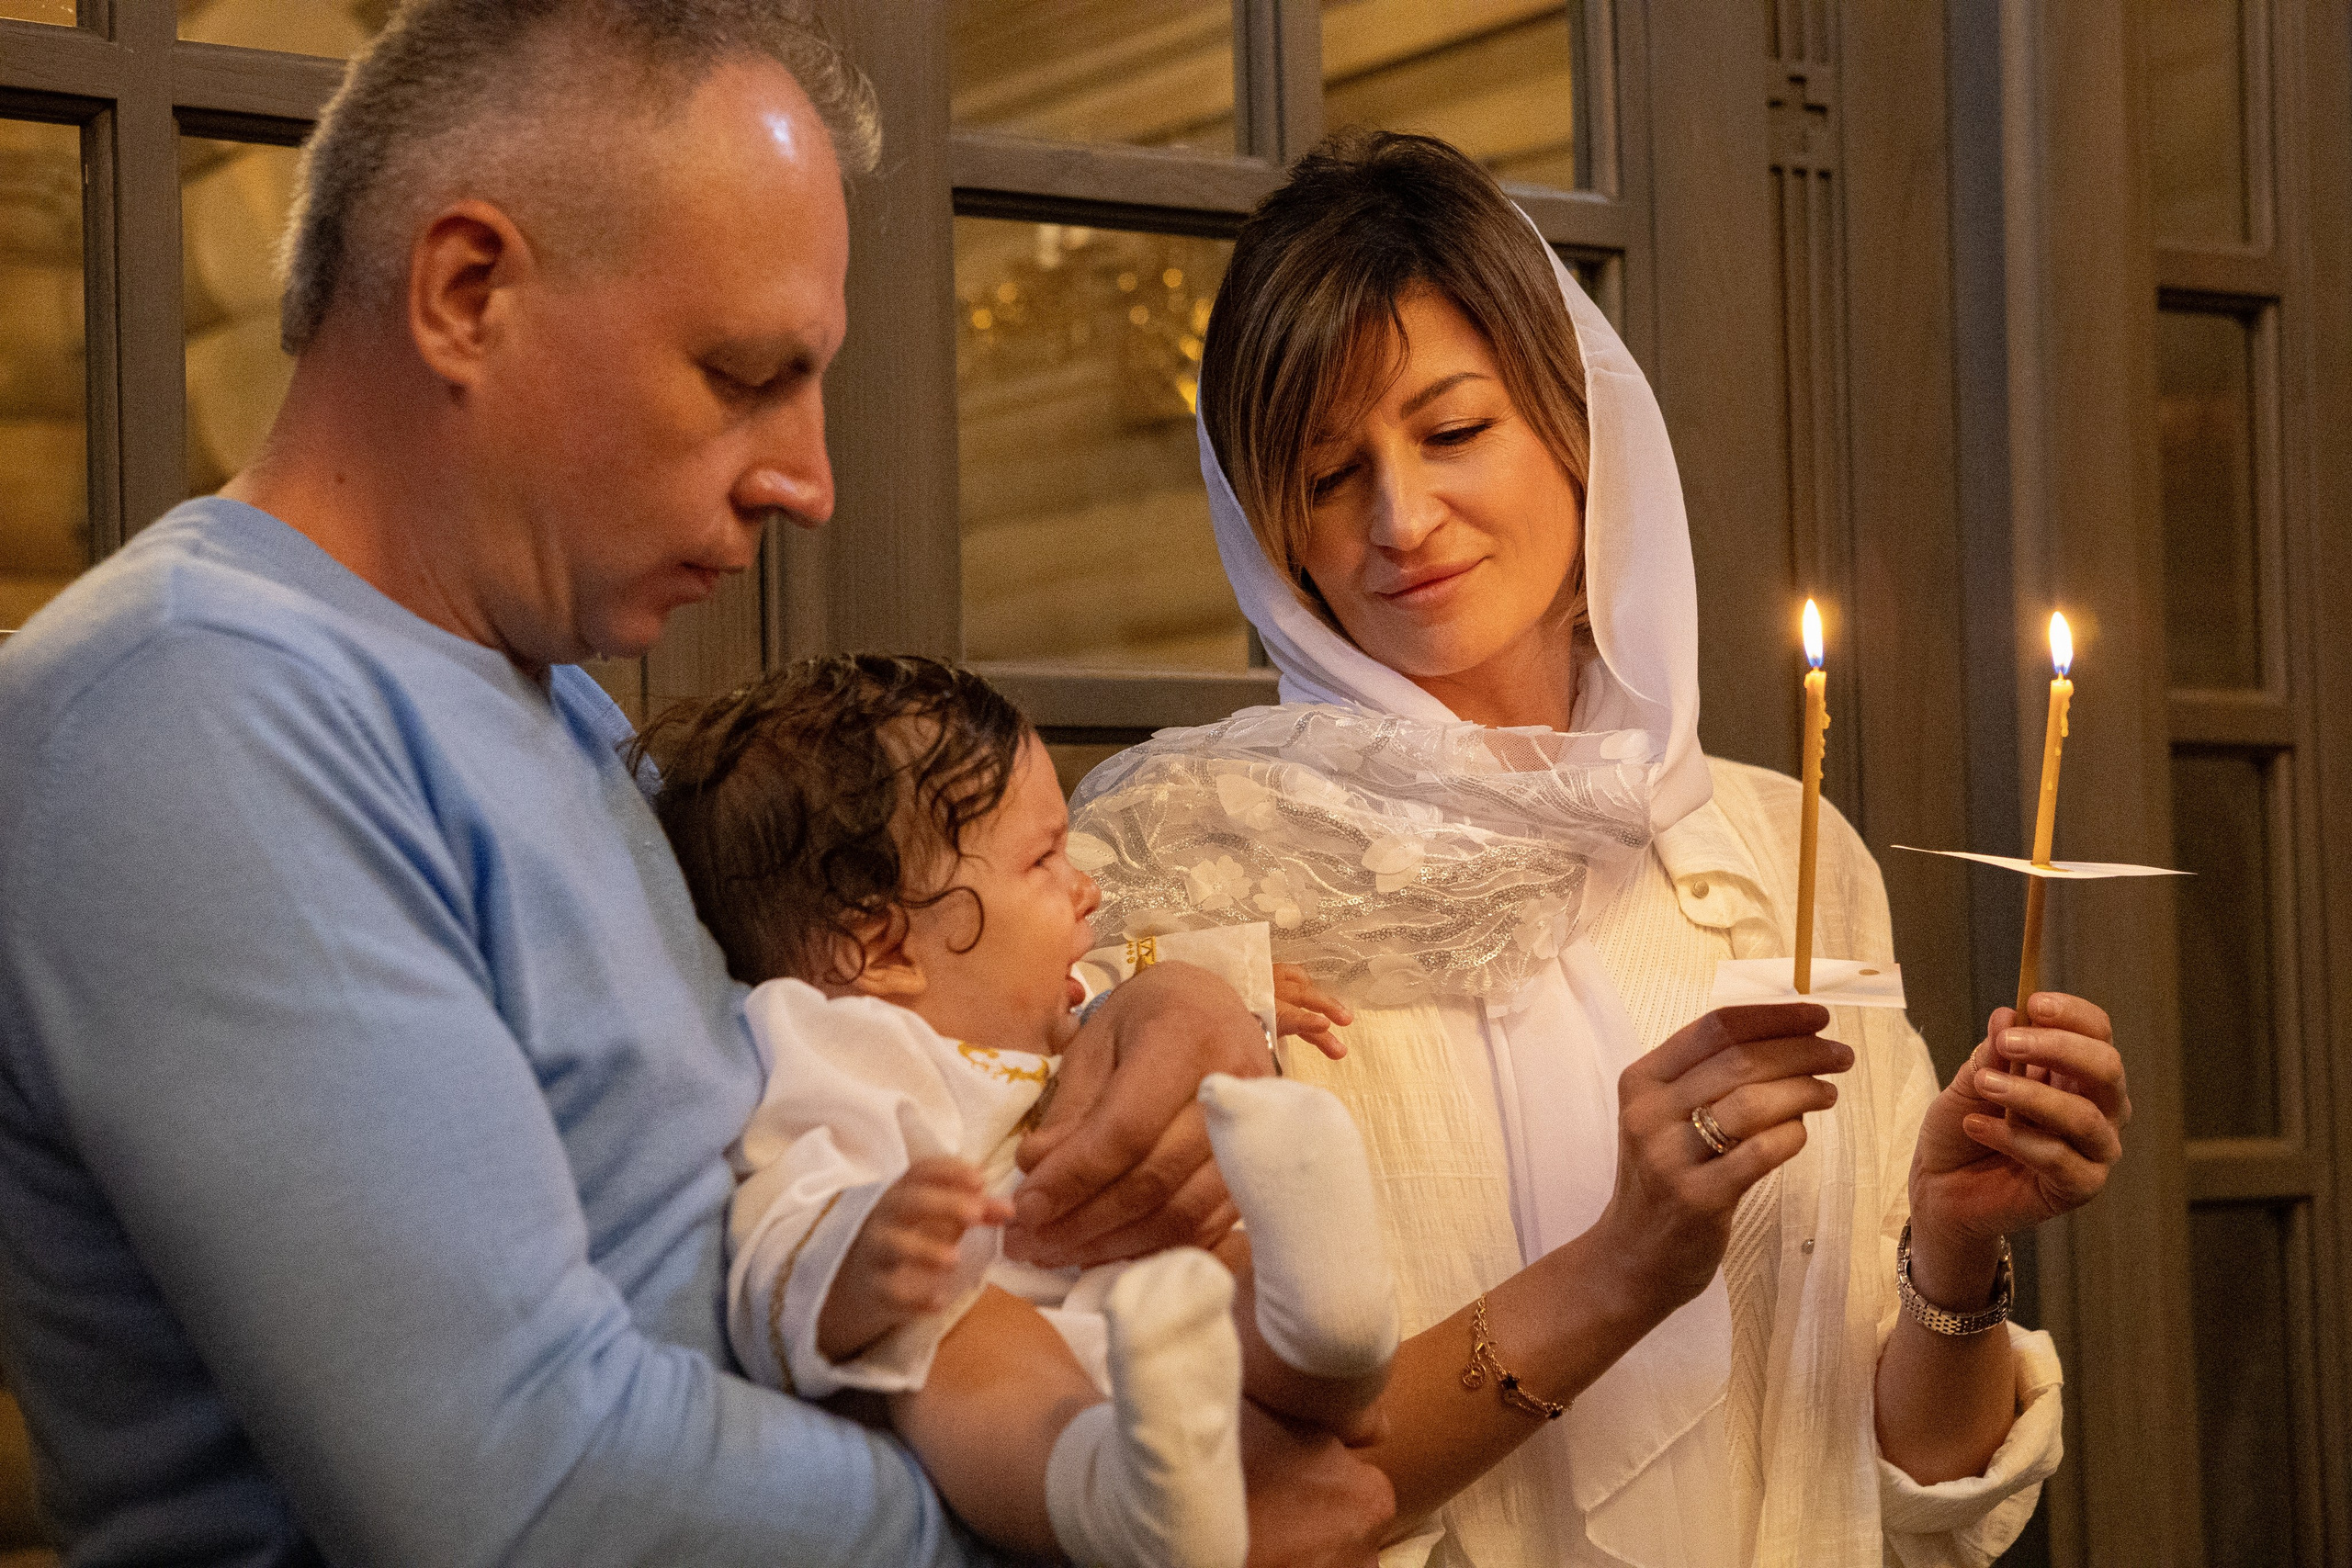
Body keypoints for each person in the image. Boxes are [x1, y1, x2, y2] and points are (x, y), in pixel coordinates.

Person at [0, 5, 1390, 1563]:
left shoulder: (562, 708)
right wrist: (1109, 1518)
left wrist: (1144, 1014)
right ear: (470, 293)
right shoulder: (189, 704)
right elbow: (516, 1492)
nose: (808, 478)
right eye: (744, 376)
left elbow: (820, 1075)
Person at [1067, 130, 2131, 1568]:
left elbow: (1910, 1488)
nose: (1402, 518)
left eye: (1452, 431)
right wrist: (1626, 1259)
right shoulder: (1176, 870)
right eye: (1328, 475)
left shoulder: (1775, 842)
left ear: (1578, 424)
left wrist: (1950, 1245)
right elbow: (1207, 1504)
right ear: (1274, 538)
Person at [638, 653, 1396, 1568]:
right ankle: (1116, 1502)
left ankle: (1327, 1330)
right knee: (952, 1353)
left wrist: (1231, 987)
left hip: (1146, 1316)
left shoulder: (1033, 1001)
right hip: (1000, 1329)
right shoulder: (831, 1044)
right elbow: (775, 1217)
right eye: (1042, 859)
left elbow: (1120, 983)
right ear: (881, 948)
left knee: (1216, 1264)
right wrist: (859, 1252)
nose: (1085, 888)